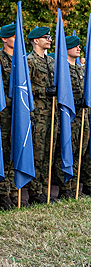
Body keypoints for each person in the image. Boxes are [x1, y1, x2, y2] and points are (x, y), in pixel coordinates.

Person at [54, 36, 87, 199]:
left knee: (80, 152)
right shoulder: (62, 69)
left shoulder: (81, 70)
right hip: (69, 118)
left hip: (83, 117)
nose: (78, 48)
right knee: (67, 150)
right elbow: (63, 96)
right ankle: (65, 188)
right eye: (75, 46)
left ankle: (75, 187)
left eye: (79, 46)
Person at [26, 26, 56, 204]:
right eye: (46, 37)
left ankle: (44, 189)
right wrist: (45, 91)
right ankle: (34, 192)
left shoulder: (51, 62)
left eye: (50, 37)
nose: (49, 40)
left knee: (48, 153)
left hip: (51, 114)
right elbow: (26, 88)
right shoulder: (29, 61)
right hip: (37, 114)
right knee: (37, 154)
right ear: (36, 40)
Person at [0, 23, 20, 210]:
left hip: (18, 114)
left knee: (14, 152)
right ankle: (2, 195)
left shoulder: (21, 60)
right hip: (3, 114)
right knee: (3, 154)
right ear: (4, 39)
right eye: (14, 36)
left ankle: (12, 191)